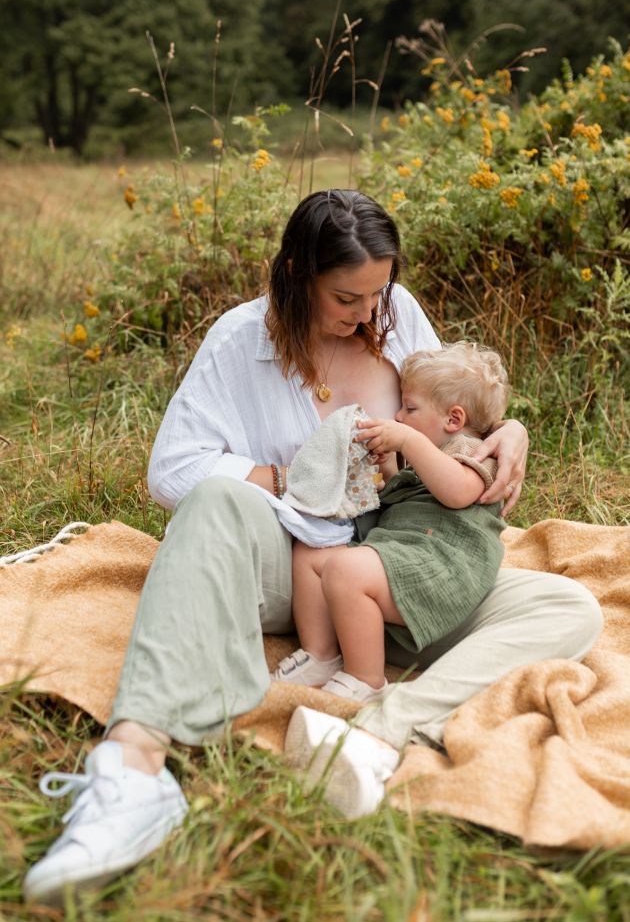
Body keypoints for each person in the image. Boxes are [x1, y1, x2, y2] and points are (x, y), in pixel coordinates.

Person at [23, 190, 602, 903]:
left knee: (569, 607)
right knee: (213, 500)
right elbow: (170, 469)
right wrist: (300, 475)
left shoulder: (396, 318)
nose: (367, 313)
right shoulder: (240, 340)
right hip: (293, 566)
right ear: (296, 272)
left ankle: (379, 724)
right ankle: (133, 768)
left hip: (401, 568)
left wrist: (509, 430)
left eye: (377, 293)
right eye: (346, 296)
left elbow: (460, 406)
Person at [273, 341, 510, 703]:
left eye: (410, 408)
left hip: (443, 565)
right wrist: (386, 466)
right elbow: (397, 499)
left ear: (454, 419)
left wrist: (409, 441)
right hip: (401, 550)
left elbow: (458, 492)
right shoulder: (424, 460)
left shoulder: (474, 453)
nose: (399, 416)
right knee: (312, 552)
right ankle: (321, 653)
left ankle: (367, 678)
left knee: (347, 570)